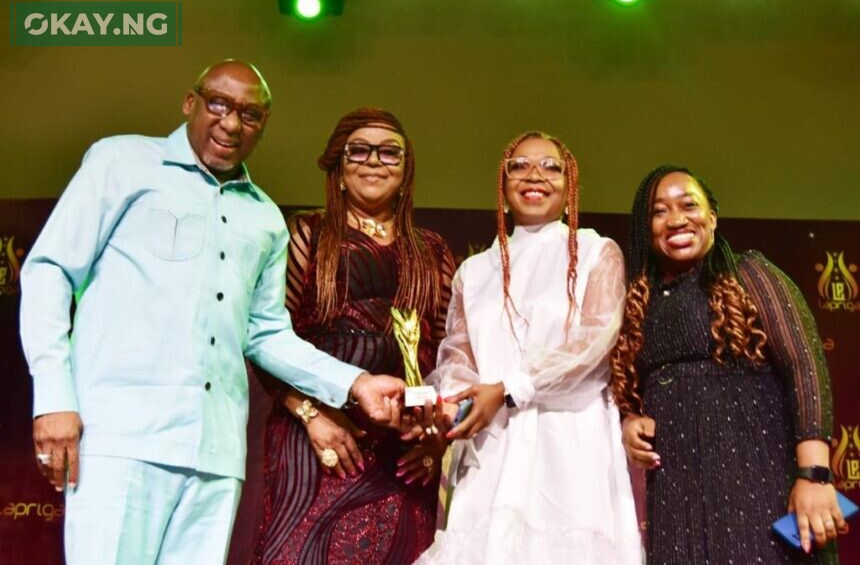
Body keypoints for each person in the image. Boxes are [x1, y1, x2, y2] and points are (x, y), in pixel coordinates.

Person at [19, 61, 404, 565]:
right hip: (123, 436)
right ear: (190, 102)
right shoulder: (121, 162)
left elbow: (267, 334)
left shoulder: (264, 217)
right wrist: (53, 396)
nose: (230, 123)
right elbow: (49, 271)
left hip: (215, 456)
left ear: (262, 125)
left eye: (250, 113)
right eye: (218, 104)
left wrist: (355, 384)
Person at [417, 132, 642, 564]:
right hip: (491, 447)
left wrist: (509, 388)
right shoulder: (474, 270)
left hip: (570, 443)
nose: (534, 174)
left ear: (570, 186)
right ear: (502, 186)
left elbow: (592, 349)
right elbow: (458, 356)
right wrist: (453, 407)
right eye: (519, 165)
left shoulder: (597, 252)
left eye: (550, 166)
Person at [610, 165, 847, 563]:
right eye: (659, 211)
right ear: (644, 228)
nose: (677, 219)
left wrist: (815, 476)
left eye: (689, 205)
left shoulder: (750, 274)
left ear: (713, 217)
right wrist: (629, 420)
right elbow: (630, 390)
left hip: (758, 492)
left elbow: (805, 370)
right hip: (678, 504)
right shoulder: (640, 304)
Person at [251, 107, 455, 564]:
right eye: (358, 150)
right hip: (318, 433)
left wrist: (433, 432)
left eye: (390, 153)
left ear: (406, 172)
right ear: (339, 169)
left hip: (403, 450)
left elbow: (443, 353)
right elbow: (266, 340)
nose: (374, 161)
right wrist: (309, 414)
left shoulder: (433, 250)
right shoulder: (310, 234)